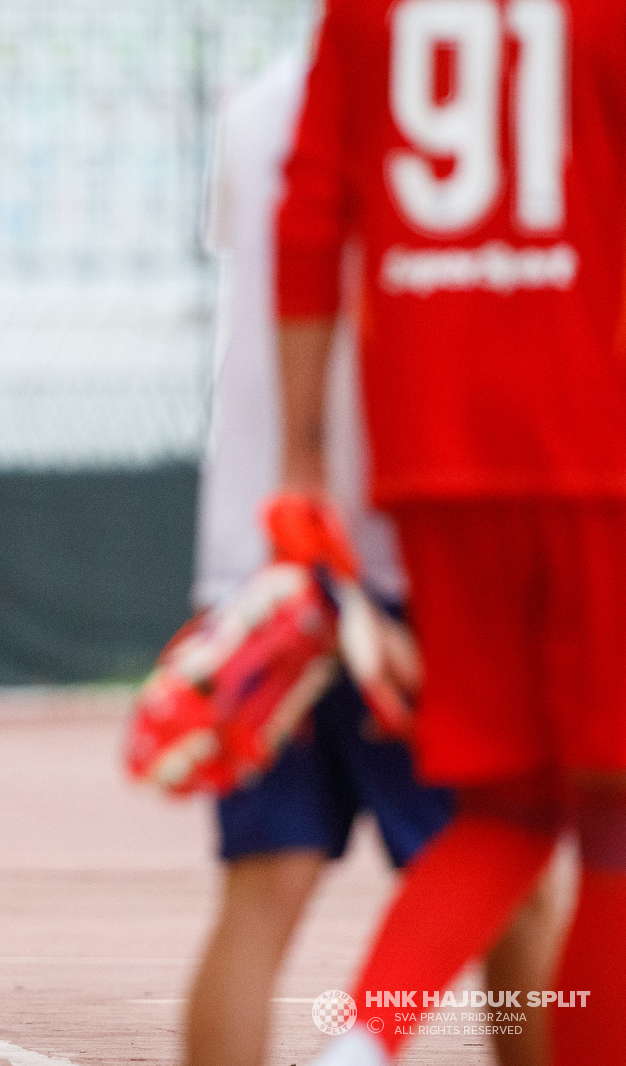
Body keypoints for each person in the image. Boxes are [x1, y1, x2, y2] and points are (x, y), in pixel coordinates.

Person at [185, 52, 562, 1066]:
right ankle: (367, 1038)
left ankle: (362, 1038)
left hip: (260, 557)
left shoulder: (257, 107)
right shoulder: (488, 100)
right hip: (416, 558)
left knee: (258, 895)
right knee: (517, 882)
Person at [274, 3, 626, 1063]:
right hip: (596, 441)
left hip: (431, 447)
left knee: (509, 806)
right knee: (611, 818)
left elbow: (309, 215)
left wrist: (301, 455)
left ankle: (363, 1039)